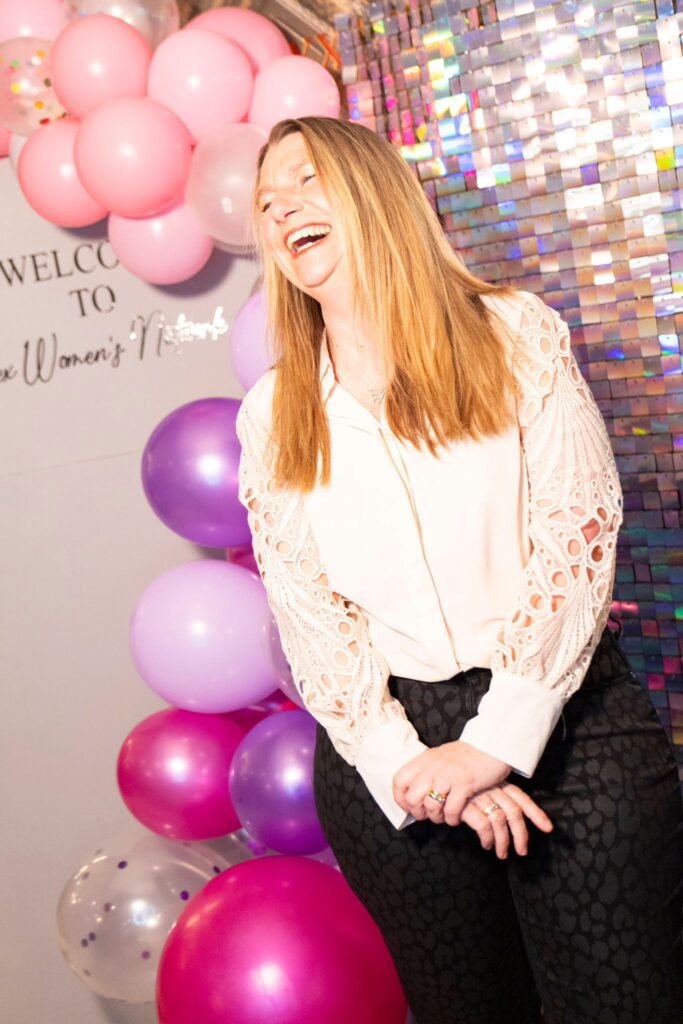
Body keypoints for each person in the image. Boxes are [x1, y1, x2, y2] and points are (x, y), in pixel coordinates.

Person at [235, 115, 683, 1024]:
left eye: (306, 181)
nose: (282, 210)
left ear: (373, 192)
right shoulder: (271, 412)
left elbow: (578, 528)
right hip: (389, 749)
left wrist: (496, 742)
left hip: (569, 721)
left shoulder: (513, 332)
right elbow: (308, 612)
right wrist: (418, 769)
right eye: (268, 202)